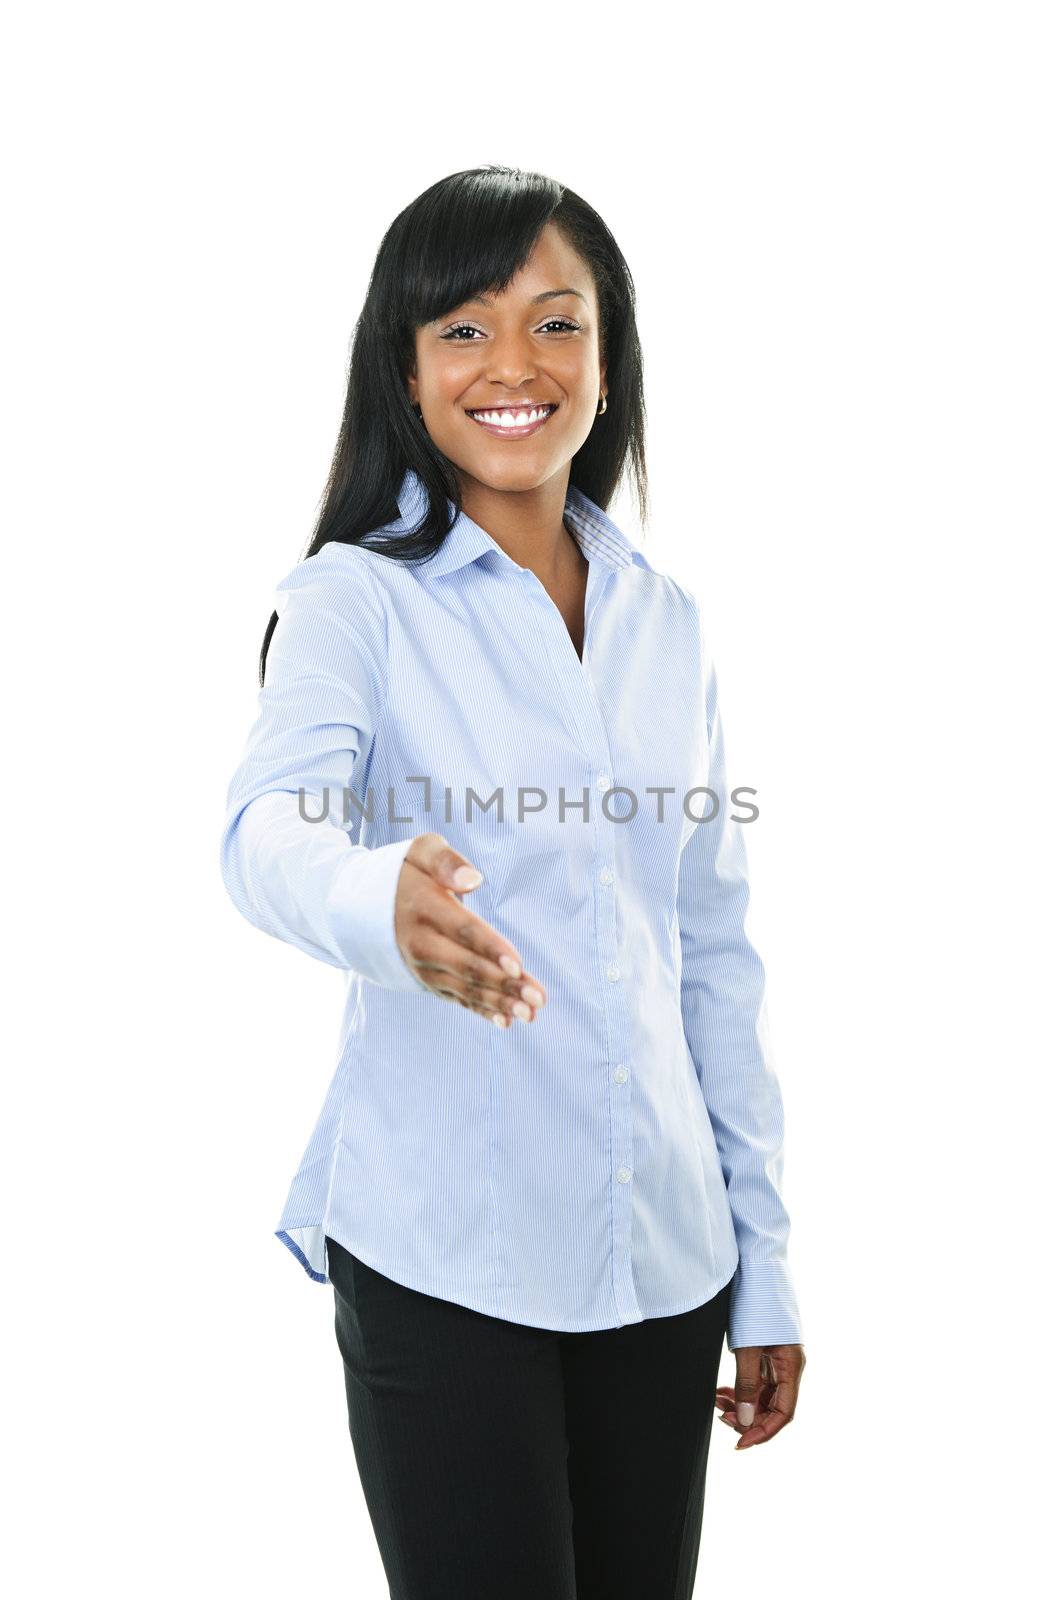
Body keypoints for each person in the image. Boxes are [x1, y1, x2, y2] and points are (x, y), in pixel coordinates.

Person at [219, 164, 805, 1599]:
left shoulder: (668, 624)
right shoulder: (355, 599)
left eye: (556, 324)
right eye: (463, 332)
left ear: (608, 362)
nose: (515, 368)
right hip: (445, 1258)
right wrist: (378, 904)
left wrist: (762, 1263)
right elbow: (263, 832)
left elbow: (711, 957)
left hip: (662, 1264)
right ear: (404, 372)